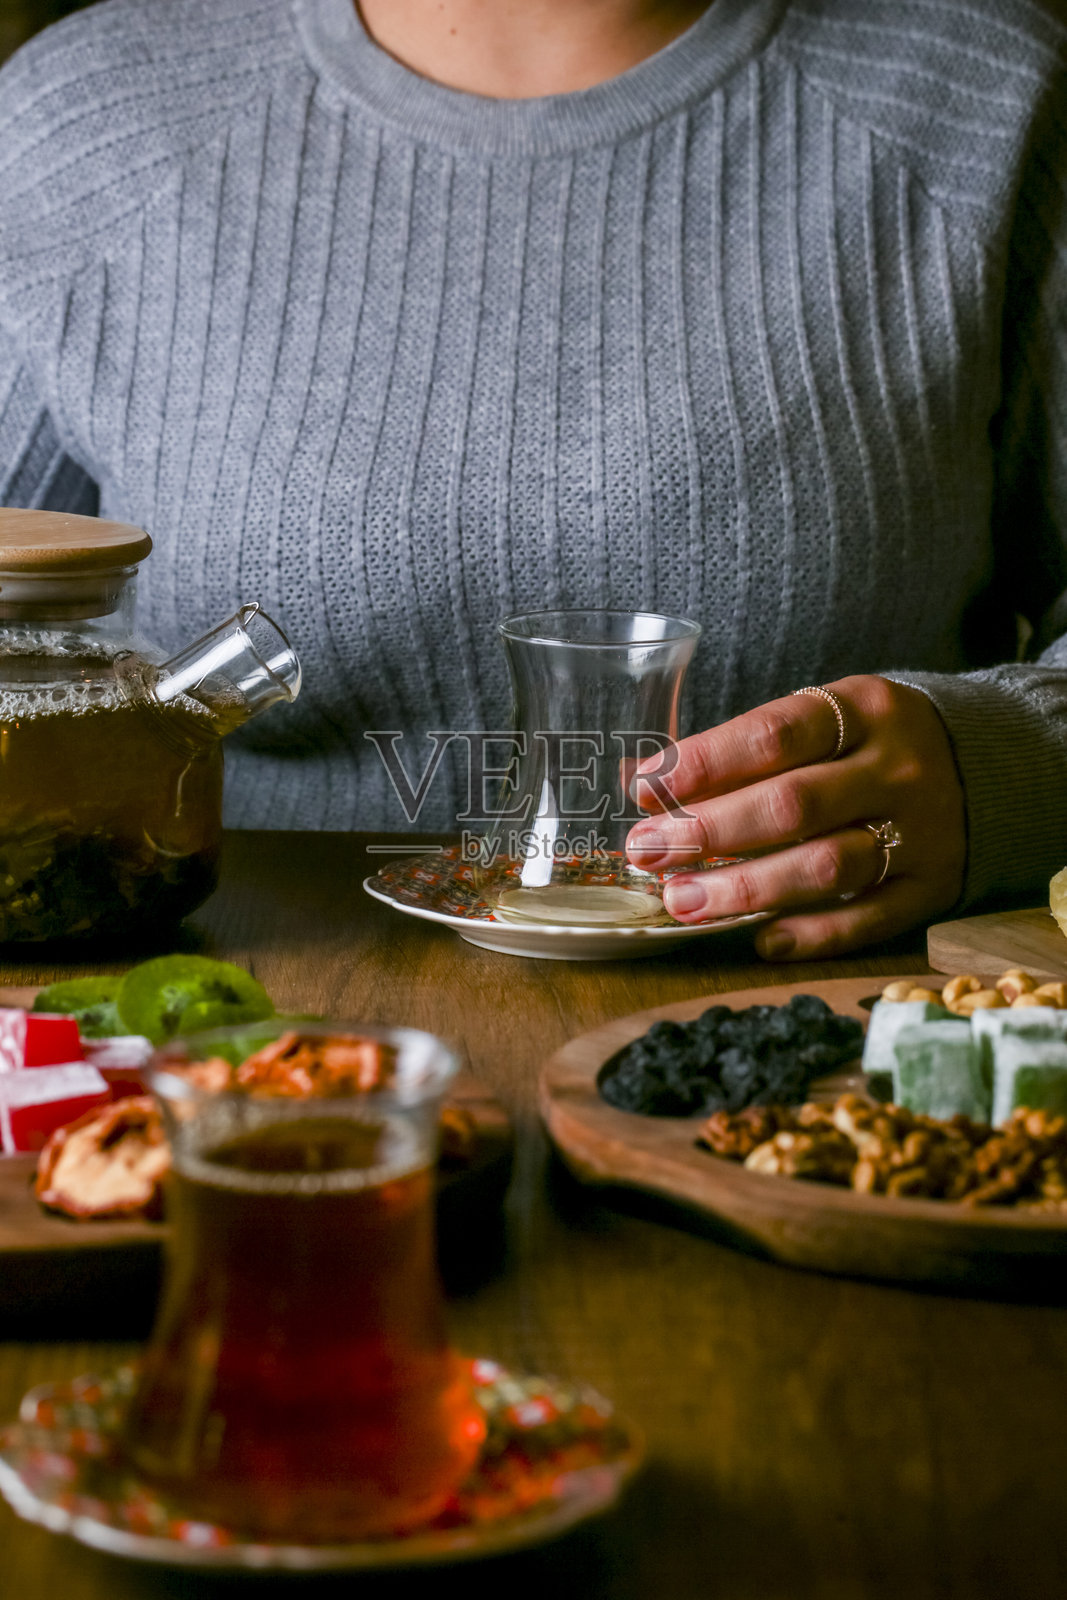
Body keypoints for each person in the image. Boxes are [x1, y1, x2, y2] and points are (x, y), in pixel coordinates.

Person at [0, 0, 1065, 958]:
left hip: (824, 1068)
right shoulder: (84, 124)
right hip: (211, 1073)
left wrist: (1008, 767)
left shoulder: (986, 100)